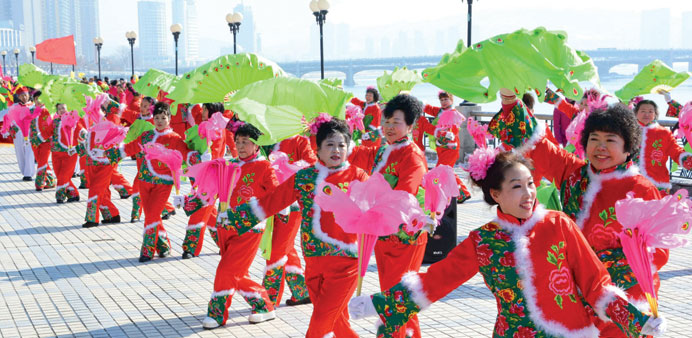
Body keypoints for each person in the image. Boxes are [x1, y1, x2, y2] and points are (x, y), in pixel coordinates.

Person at [349, 151, 666, 338]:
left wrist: (635, 319)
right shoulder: (484, 241)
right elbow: (436, 281)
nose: (528, 194)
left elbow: (596, 282)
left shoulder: (559, 224)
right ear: (496, 195)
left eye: (530, 184)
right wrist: (379, 304)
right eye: (517, 187)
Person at [490, 90, 667, 337]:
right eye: (594, 139)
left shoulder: (641, 189)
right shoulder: (574, 173)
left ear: (628, 148)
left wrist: (593, 273)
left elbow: (658, 252)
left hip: (625, 298)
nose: (600, 147)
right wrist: (510, 100)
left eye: (611, 140)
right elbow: (538, 144)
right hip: (574, 293)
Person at [218, 119, 367, 337]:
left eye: (341, 145)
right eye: (330, 145)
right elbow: (271, 202)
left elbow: (378, 210)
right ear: (318, 149)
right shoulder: (304, 178)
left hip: (346, 264)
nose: (336, 150)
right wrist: (233, 217)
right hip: (314, 264)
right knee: (337, 323)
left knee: (319, 323)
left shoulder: (359, 177)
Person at [349, 94, 428, 338]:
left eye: (396, 122)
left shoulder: (412, 155)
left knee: (398, 295)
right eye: (386, 121)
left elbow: (406, 195)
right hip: (383, 234)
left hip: (405, 235)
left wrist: (375, 202)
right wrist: (336, 136)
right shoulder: (385, 149)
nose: (389, 127)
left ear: (410, 126)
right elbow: (357, 155)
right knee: (398, 295)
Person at [200, 123, 279, 328]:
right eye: (238, 142)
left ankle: (217, 314)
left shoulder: (264, 166)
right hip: (225, 226)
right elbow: (212, 190)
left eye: (246, 142)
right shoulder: (230, 164)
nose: (241, 146)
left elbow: (275, 194)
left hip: (249, 228)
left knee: (225, 270)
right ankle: (264, 304)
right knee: (236, 272)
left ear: (255, 145)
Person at [102, 102, 201, 262]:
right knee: (151, 215)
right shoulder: (147, 135)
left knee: (153, 214)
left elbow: (185, 152)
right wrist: (114, 152)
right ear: (153, 119)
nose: (160, 121)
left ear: (169, 118)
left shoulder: (174, 138)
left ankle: (147, 250)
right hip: (144, 181)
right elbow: (132, 147)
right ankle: (163, 245)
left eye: (163, 117)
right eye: (157, 118)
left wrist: (195, 157)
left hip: (163, 184)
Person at [262, 134, 317, 307]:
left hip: (291, 202)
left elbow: (313, 163)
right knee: (284, 246)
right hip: (271, 201)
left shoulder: (299, 140)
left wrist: (288, 168)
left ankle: (268, 301)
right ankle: (301, 291)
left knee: (276, 251)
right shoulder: (266, 139)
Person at [632, 99, 692, 193]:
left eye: (650, 111)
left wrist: (686, 160)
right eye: (643, 111)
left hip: (657, 181)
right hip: (632, 180)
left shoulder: (663, 133)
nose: (646, 114)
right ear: (636, 113)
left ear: (655, 114)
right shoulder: (629, 132)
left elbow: (675, 151)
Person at [423, 91, 472, 202]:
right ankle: (462, 193)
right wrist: (418, 104)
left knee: (442, 170)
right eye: (441, 100)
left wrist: (446, 135)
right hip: (441, 147)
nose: (444, 102)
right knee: (447, 171)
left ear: (451, 100)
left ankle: (461, 193)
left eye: (446, 99)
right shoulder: (440, 111)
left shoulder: (454, 113)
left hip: (450, 148)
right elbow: (429, 109)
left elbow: (453, 130)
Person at [2, 86, 36, 180]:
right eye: (21, 96)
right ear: (18, 97)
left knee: (30, 152)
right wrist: (7, 129)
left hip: (30, 133)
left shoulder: (34, 106)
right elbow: (7, 119)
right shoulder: (14, 107)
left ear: (29, 95)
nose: (24, 97)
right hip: (18, 133)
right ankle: (24, 171)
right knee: (20, 153)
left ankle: (28, 174)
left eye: (25, 95)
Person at [51, 103, 81, 203]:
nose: (62, 110)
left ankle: (60, 196)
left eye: (63, 108)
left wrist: (86, 136)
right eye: (59, 109)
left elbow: (80, 130)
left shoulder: (73, 120)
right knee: (59, 175)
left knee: (64, 176)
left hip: (70, 153)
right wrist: (37, 138)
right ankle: (74, 194)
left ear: (67, 108)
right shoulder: (54, 122)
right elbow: (47, 132)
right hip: (56, 153)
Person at [28, 90, 56, 191]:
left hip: (45, 140)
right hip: (34, 140)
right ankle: (51, 181)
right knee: (40, 161)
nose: (38, 101)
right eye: (36, 99)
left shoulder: (48, 111)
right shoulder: (30, 110)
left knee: (43, 161)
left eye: (40, 99)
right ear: (34, 100)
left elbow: (51, 126)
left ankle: (39, 183)